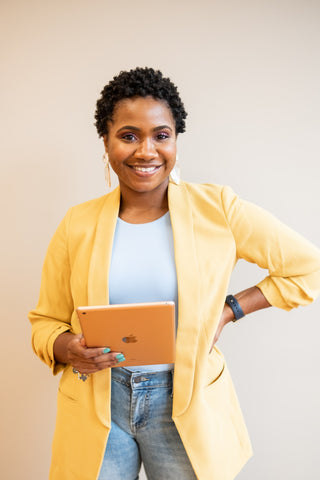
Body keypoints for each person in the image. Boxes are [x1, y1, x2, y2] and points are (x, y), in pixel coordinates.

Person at [29, 67, 320, 480]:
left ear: (175, 140)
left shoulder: (218, 208)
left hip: (187, 400)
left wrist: (229, 309)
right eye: (128, 135)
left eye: (160, 135)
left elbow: (307, 268)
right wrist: (65, 346)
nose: (146, 151)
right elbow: (45, 322)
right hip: (99, 402)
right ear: (106, 142)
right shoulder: (77, 224)